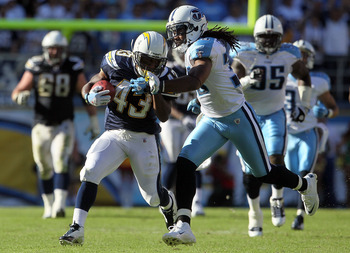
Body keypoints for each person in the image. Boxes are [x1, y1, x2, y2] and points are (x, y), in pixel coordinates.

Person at [129, 5, 319, 246]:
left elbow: (196, 79)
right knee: (185, 163)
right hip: (212, 118)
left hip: (237, 117)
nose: (176, 37)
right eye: (174, 31)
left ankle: (305, 184)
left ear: (194, 28)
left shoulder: (204, 46)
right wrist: (200, 101)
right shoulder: (199, 46)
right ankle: (184, 226)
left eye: (179, 31)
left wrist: (161, 86)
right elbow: (211, 82)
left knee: (265, 173)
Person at [58, 31, 178, 246]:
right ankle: (76, 228)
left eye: (155, 61)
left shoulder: (166, 76)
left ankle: (169, 203)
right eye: (146, 59)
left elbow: (164, 115)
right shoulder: (116, 61)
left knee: (152, 197)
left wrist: (155, 89)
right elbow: (96, 80)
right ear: (134, 54)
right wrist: (89, 94)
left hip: (144, 138)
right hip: (114, 132)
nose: (150, 65)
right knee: (90, 170)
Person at [230, 14, 313, 236]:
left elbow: (304, 75)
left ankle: (277, 198)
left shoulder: (288, 54)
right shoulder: (245, 54)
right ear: (256, 37)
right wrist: (248, 81)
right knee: (250, 169)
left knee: (276, 159)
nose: (267, 41)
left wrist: (304, 106)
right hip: (248, 115)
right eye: (264, 37)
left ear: (280, 37)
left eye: (272, 37)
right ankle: (254, 212)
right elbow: (231, 84)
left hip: (275, 114)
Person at [11, 30, 100, 219]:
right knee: (43, 166)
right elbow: (18, 90)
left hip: (63, 123)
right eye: (51, 49)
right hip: (41, 124)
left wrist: (93, 120)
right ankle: (48, 205)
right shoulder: (36, 65)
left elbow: (85, 95)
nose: (54, 53)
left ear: (64, 50)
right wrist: (20, 96)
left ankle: (59, 205)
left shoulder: (72, 66)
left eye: (58, 49)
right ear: (45, 49)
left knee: (60, 160)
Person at [285, 40, 339, 230]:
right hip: (285, 135)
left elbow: (334, 108)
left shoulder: (318, 80)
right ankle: (278, 204)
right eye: (299, 53)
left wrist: (327, 113)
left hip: (307, 133)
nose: (302, 58)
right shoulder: (281, 75)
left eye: (305, 54)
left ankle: (299, 217)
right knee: (286, 175)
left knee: (305, 174)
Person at [160, 49, 205, 217]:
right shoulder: (169, 69)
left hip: (192, 119)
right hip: (171, 120)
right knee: (172, 159)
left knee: (195, 160)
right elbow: (163, 102)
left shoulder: (199, 68)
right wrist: (181, 117)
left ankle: (198, 201)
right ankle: (165, 199)